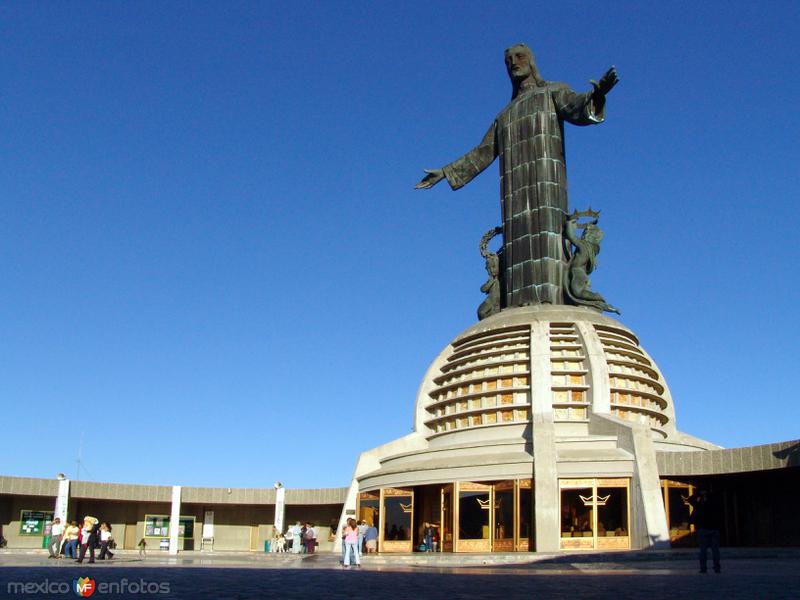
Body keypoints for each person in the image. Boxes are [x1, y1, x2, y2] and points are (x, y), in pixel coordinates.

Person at [416, 43, 618, 308]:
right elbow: (483, 152)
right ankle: (516, 301)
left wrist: (598, 97)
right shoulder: (505, 116)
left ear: (532, 61)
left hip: (547, 184)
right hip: (514, 192)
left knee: (547, 239)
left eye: (520, 57)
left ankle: (552, 298)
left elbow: (579, 107)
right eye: (508, 60)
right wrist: (446, 172)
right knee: (518, 243)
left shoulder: (552, 91)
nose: (514, 62)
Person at [688, 489, 722, 573]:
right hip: (714, 529)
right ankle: (717, 568)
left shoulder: (699, 505)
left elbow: (690, 499)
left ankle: (703, 568)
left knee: (703, 550)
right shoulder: (715, 504)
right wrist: (708, 493)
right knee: (715, 550)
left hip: (702, 529)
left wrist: (699, 493)